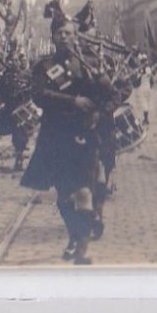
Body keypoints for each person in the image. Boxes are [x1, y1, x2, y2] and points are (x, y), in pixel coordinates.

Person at [22, 20, 116, 264]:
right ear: (53, 38)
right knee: (64, 196)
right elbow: (40, 95)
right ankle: (74, 236)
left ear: (77, 37)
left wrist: (99, 107)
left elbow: (111, 98)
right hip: (56, 135)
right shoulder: (44, 66)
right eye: (59, 33)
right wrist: (72, 101)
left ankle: (82, 250)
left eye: (68, 33)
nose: (64, 37)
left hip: (85, 134)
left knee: (84, 190)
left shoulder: (91, 66)